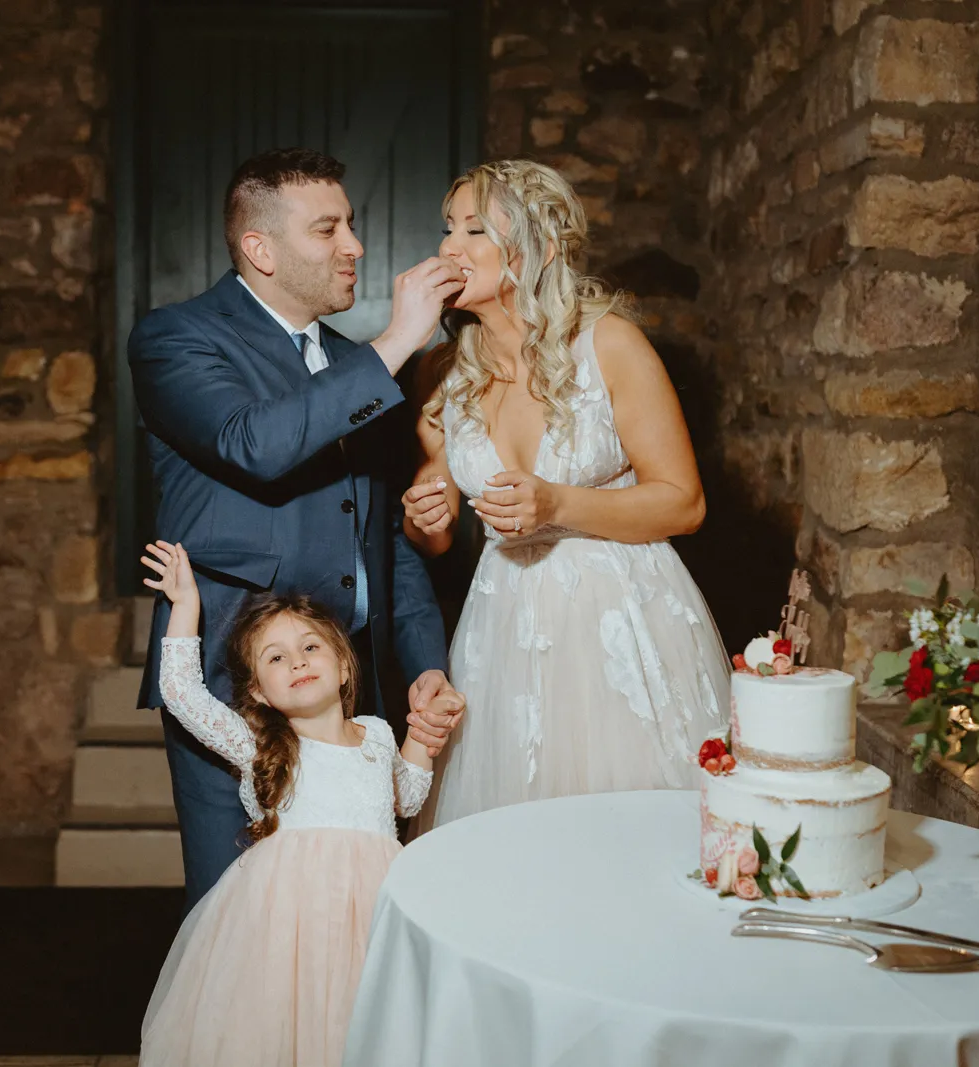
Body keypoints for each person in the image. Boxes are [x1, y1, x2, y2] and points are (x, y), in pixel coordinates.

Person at [127, 148, 467, 906]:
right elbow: (255, 445)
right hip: (237, 682)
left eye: (352, 224)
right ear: (261, 248)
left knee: (356, 912)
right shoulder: (175, 339)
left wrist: (423, 663)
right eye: (329, 229)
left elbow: (383, 542)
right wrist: (397, 342)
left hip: (357, 695)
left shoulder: (354, 365)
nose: (355, 246)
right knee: (239, 912)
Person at [403, 160, 731, 831]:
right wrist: (424, 514)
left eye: (474, 229)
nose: (448, 246)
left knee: (629, 833)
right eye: (447, 228)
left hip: (620, 621)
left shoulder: (609, 343)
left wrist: (558, 506)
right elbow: (433, 525)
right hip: (503, 627)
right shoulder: (444, 371)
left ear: (541, 248)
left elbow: (683, 502)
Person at [137, 542, 444, 1067]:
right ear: (258, 691)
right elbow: (182, 691)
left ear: (344, 667)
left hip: (377, 909)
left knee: (367, 1025)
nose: (297, 662)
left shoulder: (374, 733)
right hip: (288, 921)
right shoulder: (259, 746)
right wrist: (186, 604)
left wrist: (421, 738)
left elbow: (406, 799)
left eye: (310, 648)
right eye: (276, 658)